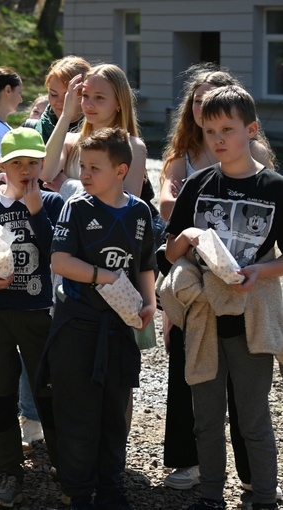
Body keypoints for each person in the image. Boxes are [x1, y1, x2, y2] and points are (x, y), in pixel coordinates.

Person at [157, 64, 278, 494]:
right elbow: (168, 253)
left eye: (227, 129)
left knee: (253, 417)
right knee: (205, 417)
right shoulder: (197, 184)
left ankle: (264, 497)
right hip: (203, 316)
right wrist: (186, 236)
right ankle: (209, 495)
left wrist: (259, 272)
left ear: (252, 129)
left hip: (251, 317)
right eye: (210, 132)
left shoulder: (274, 187)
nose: (219, 139)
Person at [47, 127, 157, 510]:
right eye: (82, 166)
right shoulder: (75, 207)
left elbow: (146, 265)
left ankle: (112, 489)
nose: (86, 175)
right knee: (79, 415)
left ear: (121, 170)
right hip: (78, 327)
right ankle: (80, 493)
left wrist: (148, 304)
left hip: (120, 329)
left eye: (95, 167)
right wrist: (104, 276)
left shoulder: (140, 212)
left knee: (114, 414)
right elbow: (60, 261)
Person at [0, 127, 65, 508]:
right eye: (16, 163)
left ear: (42, 165)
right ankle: (10, 472)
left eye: (32, 163)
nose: (25, 170)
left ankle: (64, 466)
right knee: (0, 393)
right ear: (2, 166)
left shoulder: (52, 204)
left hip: (38, 313)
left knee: (47, 392)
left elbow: (57, 254)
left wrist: (37, 212)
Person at [41, 63, 148, 202]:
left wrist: (66, 185)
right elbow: (45, 174)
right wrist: (66, 115)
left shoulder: (134, 147)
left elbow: (126, 204)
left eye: (99, 97)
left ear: (119, 103)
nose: (89, 104)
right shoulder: (70, 141)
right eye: (85, 96)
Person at [32, 56, 91, 143]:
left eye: (68, 96)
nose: (59, 102)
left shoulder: (99, 133)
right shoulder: (34, 130)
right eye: (53, 94)